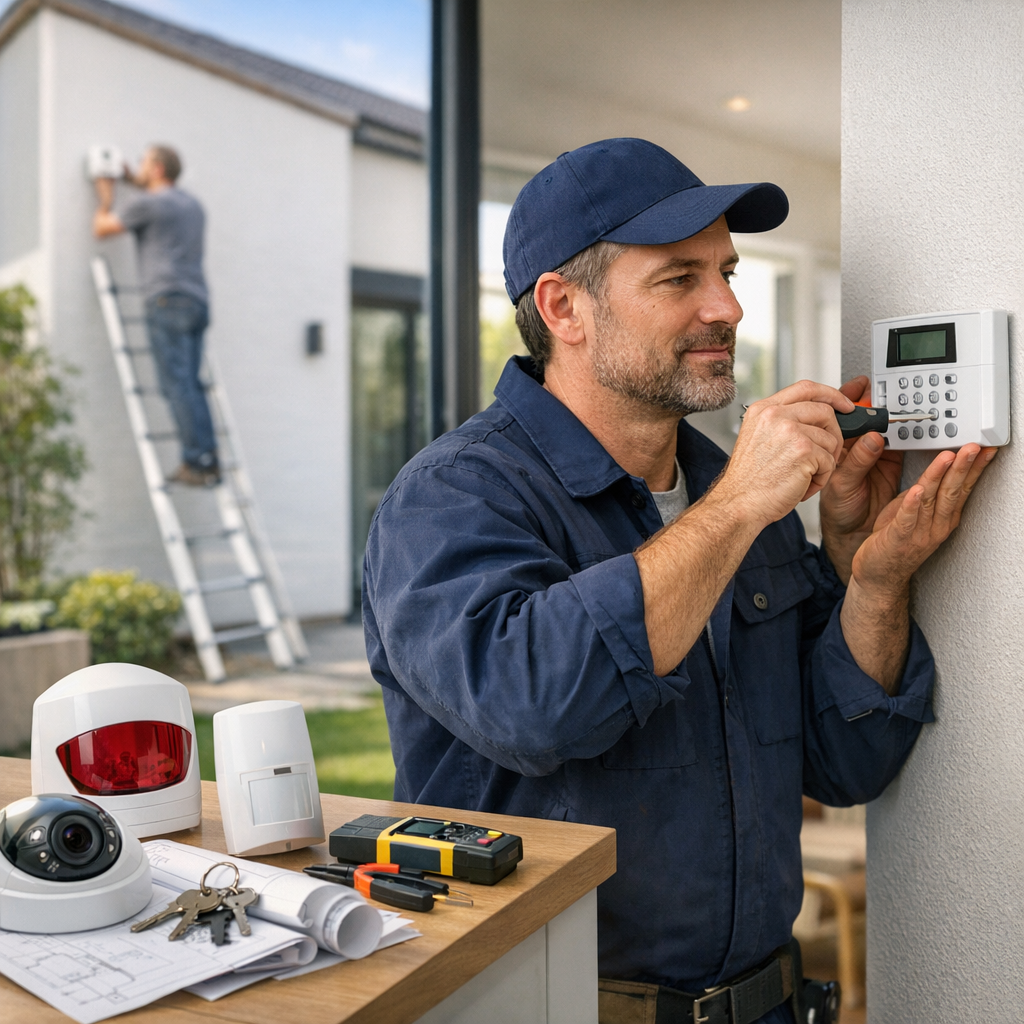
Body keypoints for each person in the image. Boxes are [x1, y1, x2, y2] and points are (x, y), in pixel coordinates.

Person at [363, 139, 995, 1024]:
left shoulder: (737, 496)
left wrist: (872, 576)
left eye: (728, 271)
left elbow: (845, 762)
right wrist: (739, 504)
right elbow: (533, 704)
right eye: (678, 278)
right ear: (563, 307)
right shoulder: (452, 498)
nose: (727, 306)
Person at [93, 145, 220, 486]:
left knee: (175, 385)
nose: (138, 167)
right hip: (196, 302)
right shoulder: (192, 205)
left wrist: (106, 195)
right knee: (191, 384)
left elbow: (102, 228)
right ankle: (207, 458)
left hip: (166, 300)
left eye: (144, 162)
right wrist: (133, 179)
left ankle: (196, 460)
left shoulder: (148, 205)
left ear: (158, 169)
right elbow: (155, 198)